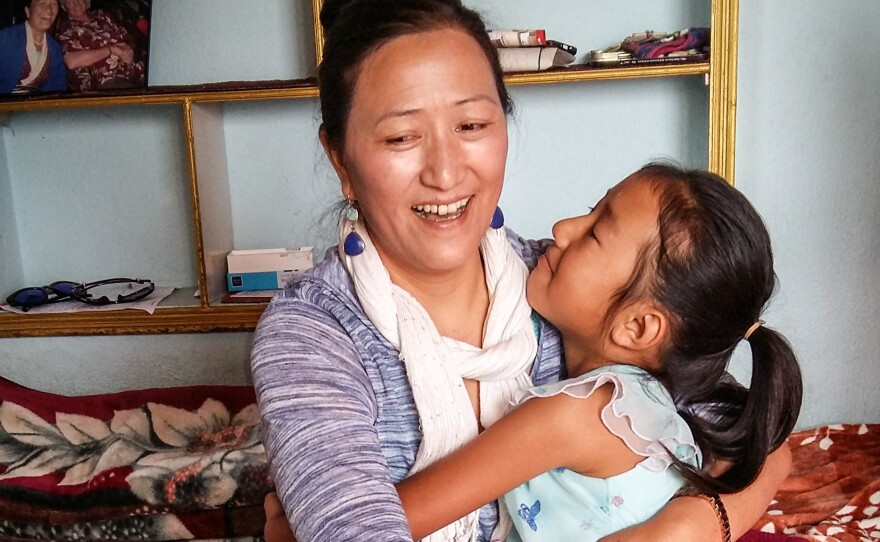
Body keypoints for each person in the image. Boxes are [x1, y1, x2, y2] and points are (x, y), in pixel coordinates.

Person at [250, 1, 793, 541]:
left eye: (472, 124)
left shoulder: (561, 287)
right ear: (341, 160)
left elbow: (753, 433)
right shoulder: (313, 336)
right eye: (401, 137)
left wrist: (682, 529)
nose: (445, 173)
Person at [392, 163, 803, 541]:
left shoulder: (577, 414)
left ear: (637, 328)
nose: (562, 227)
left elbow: (396, 516)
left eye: (594, 234)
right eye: (591, 210)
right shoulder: (649, 408)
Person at [55, 0, 145, 92]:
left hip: (136, 69)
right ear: (64, 7)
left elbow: (126, 35)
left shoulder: (103, 16)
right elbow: (71, 61)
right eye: (70, 1)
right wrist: (111, 49)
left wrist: (128, 47)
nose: (76, 3)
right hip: (104, 81)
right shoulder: (66, 29)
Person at [0, 0, 67, 94]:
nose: (49, 10)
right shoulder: (5, 39)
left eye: (53, 4)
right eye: (42, 3)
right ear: (28, 11)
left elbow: (58, 87)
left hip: (37, 105)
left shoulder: (55, 48)